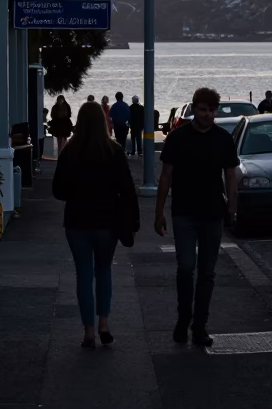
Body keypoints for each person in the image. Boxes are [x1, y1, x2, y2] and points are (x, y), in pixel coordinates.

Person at [154, 86, 239, 347]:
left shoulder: (223, 139)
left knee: (207, 272)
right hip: (183, 213)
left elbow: (230, 175)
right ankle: (184, 318)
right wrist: (158, 213)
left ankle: (200, 325)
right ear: (194, 109)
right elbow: (166, 176)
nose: (207, 115)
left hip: (213, 213)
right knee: (186, 267)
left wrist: (233, 208)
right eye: (203, 110)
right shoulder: (178, 138)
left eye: (211, 110)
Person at [52, 101, 139, 348]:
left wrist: (77, 191)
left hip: (77, 221)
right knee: (103, 270)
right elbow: (127, 189)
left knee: (83, 274)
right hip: (107, 222)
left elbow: (58, 190)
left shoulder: (70, 151)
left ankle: (88, 331)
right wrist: (133, 220)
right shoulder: (114, 151)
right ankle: (104, 323)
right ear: (103, 122)